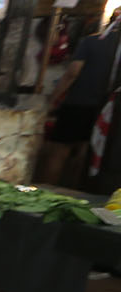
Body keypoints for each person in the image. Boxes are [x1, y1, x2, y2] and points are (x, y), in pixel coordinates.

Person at [41, 16, 120, 187]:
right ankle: (73, 192)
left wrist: (52, 100)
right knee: (85, 153)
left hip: (79, 103)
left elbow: (72, 73)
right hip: (107, 109)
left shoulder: (91, 41)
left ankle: (46, 190)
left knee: (59, 150)